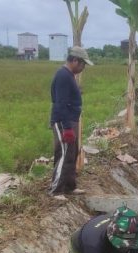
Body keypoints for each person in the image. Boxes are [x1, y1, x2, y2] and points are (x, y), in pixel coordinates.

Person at [49, 46, 93, 195]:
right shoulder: (63, 76)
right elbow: (61, 103)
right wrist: (67, 128)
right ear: (75, 60)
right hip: (63, 121)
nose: (83, 68)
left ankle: (69, 186)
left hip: (70, 121)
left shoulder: (69, 75)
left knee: (71, 154)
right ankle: (56, 190)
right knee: (63, 154)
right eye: (83, 64)